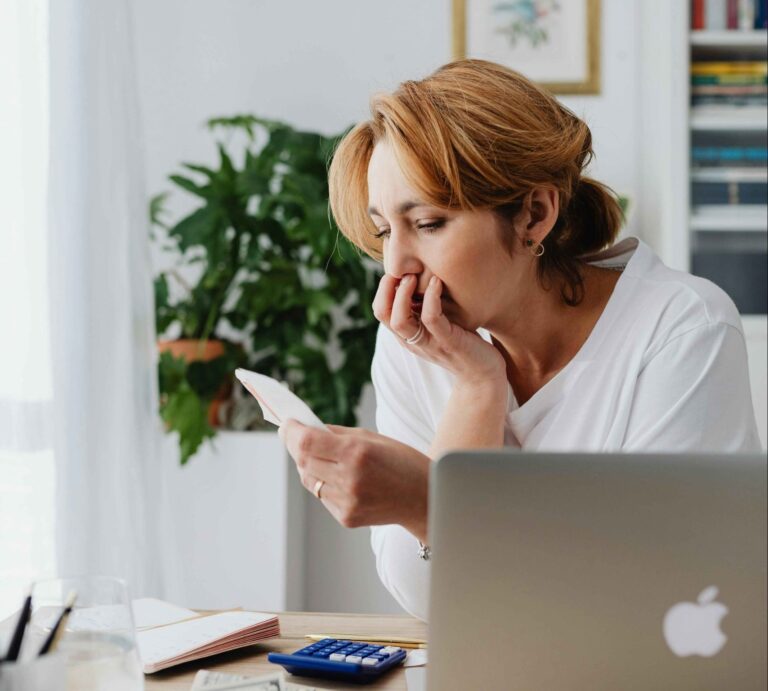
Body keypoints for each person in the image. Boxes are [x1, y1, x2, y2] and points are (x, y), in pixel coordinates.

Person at [278, 59, 761, 622]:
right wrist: (477, 387)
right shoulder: (412, 346)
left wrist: (435, 505)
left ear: (534, 213)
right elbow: (432, 604)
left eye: (429, 223)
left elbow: (672, 604)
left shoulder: (682, 329)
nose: (398, 266)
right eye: (385, 231)